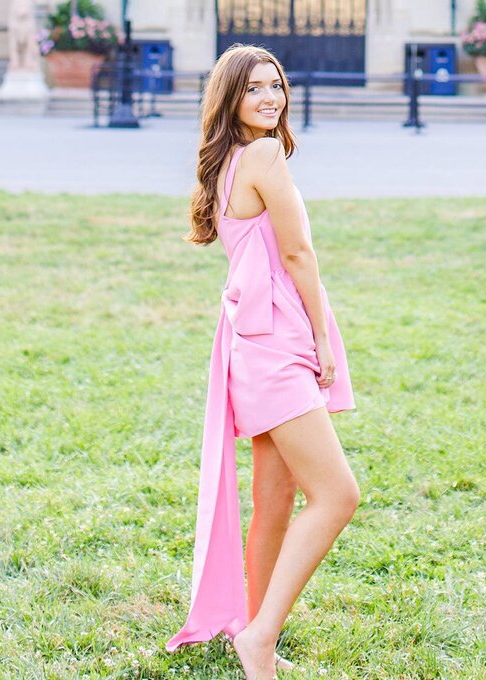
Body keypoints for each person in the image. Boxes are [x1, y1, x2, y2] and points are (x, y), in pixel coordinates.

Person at [166, 44, 359, 679]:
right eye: (254, 90)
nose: (270, 97)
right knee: (336, 495)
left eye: (276, 85)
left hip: (252, 342)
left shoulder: (226, 162)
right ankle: (259, 637)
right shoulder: (265, 154)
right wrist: (324, 343)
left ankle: (258, 636)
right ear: (231, 99)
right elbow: (299, 255)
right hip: (278, 343)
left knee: (275, 500)